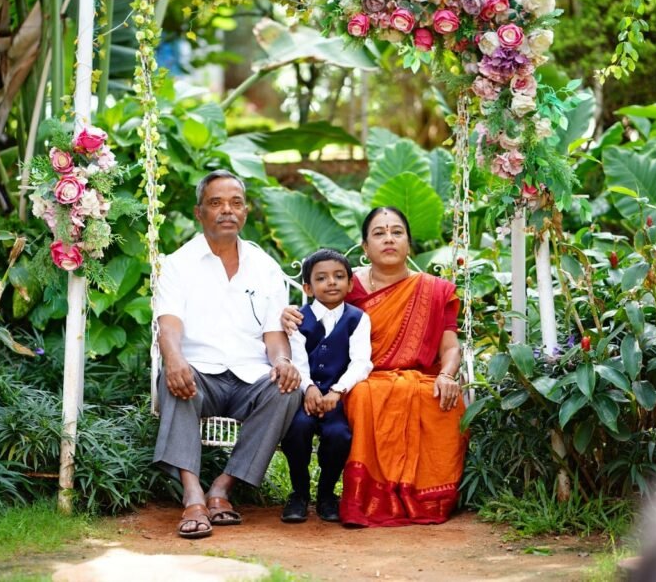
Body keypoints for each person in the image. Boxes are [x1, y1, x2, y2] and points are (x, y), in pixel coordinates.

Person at [283, 207, 466, 527]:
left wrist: (448, 375)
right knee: (367, 395)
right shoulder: (344, 283)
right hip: (358, 377)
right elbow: (308, 315)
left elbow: (449, 346)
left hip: (419, 375)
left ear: (410, 243)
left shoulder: (434, 290)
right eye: (379, 233)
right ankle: (366, 499)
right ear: (365, 247)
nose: (389, 239)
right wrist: (288, 315)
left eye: (397, 232)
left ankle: (427, 497)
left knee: (443, 401)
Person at [153, 170, 303, 539]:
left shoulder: (264, 266)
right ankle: (192, 496)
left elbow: (274, 335)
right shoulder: (178, 263)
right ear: (198, 212)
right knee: (175, 381)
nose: (227, 210)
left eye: (236, 203)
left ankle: (221, 489)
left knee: (287, 389)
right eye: (216, 203)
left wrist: (283, 361)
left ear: (246, 212)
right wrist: (173, 359)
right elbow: (168, 326)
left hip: (250, 376)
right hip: (199, 373)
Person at [280, 248, 373, 524]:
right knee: (296, 430)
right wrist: (307, 388)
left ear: (350, 283)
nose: (331, 282)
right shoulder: (298, 318)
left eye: (338, 276)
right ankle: (298, 492)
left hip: (336, 399)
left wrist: (338, 391)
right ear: (308, 287)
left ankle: (326, 493)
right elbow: (296, 358)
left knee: (339, 435)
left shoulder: (358, 319)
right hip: (303, 397)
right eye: (321, 278)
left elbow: (361, 362)